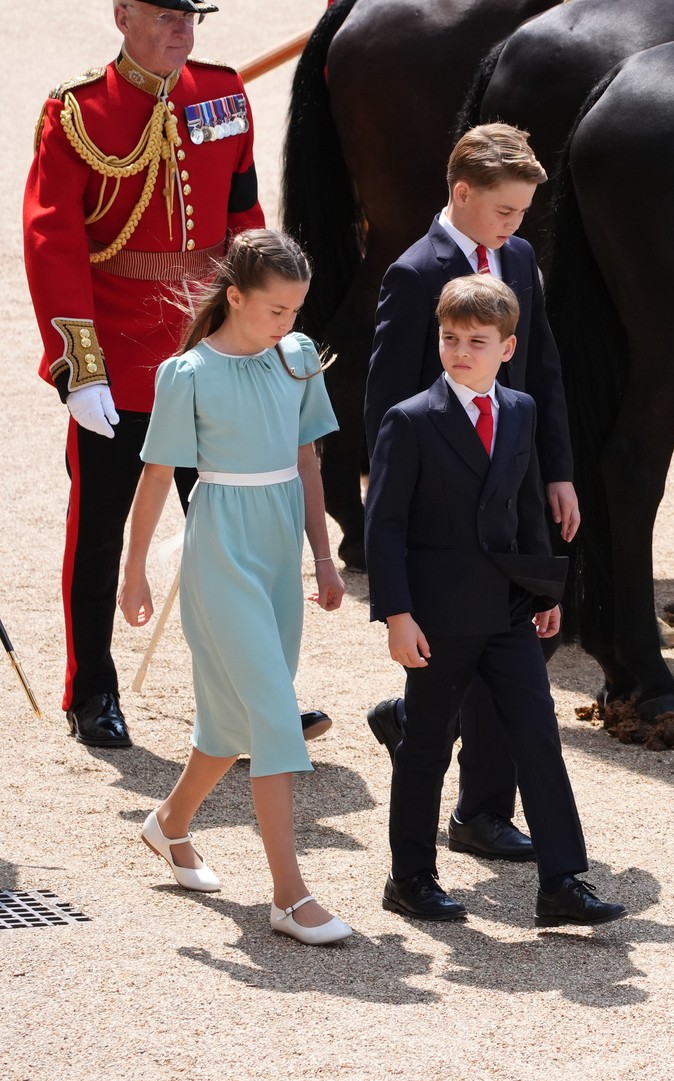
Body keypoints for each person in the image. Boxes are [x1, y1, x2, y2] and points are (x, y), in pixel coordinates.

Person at [23, 0, 329, 747]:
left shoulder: (222, 95)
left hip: (212, 347)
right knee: (99, 532)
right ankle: (90, 687)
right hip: (119, 357)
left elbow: (243, 219)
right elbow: (52, 241)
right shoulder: (76, 112)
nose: (181, 31)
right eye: (164, 17)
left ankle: (259, 693)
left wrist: (259, 329)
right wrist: (79, 365)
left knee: (238, 535)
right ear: (123, 14)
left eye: (190, 17)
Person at [365, 274, 625, 928]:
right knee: (424, 745)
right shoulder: (410, 421)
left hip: (510, 612)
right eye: (450, 338)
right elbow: (384, 526)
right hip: (441, 619)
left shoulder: (522, 411)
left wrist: (546, 590)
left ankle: (562, 882)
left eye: (476, 341)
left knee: (538, 740)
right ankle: (411, 877)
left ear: (507, 348)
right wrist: (398, 615)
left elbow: (527, 503)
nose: (459, 351)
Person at [118, 230, 351, 946]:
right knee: (276, 716)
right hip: (220, 548)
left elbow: (308, 462)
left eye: (296, 310)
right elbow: (157, 476)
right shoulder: (187, 374)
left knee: (230, 721)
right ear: (237, 297)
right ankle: (289, 894)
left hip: (282, 548)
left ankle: (170, 824)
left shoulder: (301, 358)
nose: (288, 324)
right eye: (275, 310)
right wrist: (133, 571)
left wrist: (325, 554)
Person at [362, 123, 578, 867]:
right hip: (449, 500)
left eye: (522, 213)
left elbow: (540, 368)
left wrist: (557, 469)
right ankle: (473, 803)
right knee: (473, 640)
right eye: (507, 211)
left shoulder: (517, 257)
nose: (517, 226)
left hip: (514, 485)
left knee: (520, 643)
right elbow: (388, 402)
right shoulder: (415, 274)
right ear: (463, 194)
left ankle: (473, 790)